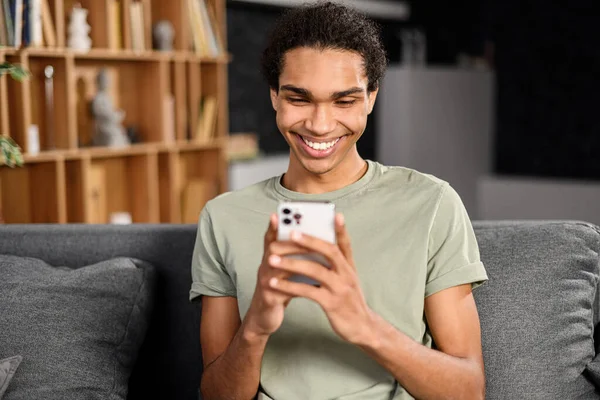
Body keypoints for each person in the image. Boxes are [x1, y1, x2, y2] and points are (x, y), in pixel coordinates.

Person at [190, 2, 489, 399]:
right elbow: (214, 395)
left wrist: (363, 325)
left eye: (344, 101)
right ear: (275, 97)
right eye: (299, 99)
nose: (320, 124)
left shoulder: (432, 204)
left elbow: (469, 391)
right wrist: (256, 327)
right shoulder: (222, 217)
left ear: (370, 98)